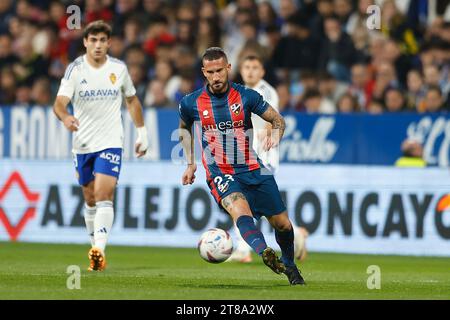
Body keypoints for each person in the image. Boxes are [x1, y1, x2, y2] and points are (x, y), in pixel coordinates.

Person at [178, 47, 305, 285]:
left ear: (228, 68)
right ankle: (264, 252)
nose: (216, 77)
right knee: (239, 211)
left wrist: (276, 134)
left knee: (282, 224)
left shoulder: (246, 96)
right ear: (204, 72)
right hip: (220, 171)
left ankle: (289, 265)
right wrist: (190, 163)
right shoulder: (190, 102)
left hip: (253, 167)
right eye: (210, 72)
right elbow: (184, 129)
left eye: (220, 71)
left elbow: (278, 119)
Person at [53, 21, 148, 271]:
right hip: (82, 143)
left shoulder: (118, 68)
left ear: (109, 43)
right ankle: (96, 250)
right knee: (90, 197)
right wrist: (65, 117)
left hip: (111, 142)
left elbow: (132, 100)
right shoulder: (75, 70)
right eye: (93, 40)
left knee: (104, 194)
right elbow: (59, 103)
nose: (97, 45)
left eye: (102, 40)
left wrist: (142, 133)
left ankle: (99, 249)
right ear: (85, 42)